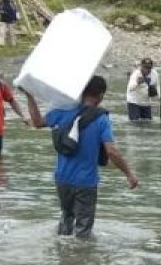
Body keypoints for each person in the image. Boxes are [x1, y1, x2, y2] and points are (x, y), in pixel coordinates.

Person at [23, 75, 139, 237]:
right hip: (86, 182)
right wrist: (129, 174)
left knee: (66, 220)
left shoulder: (62, 112)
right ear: (101, 95)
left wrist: (29, 96)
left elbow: (36, 122)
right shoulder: (101, 119)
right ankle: (80, 259)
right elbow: (111, 151)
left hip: (62, 179)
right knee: (83, 231)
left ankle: (63, 257)